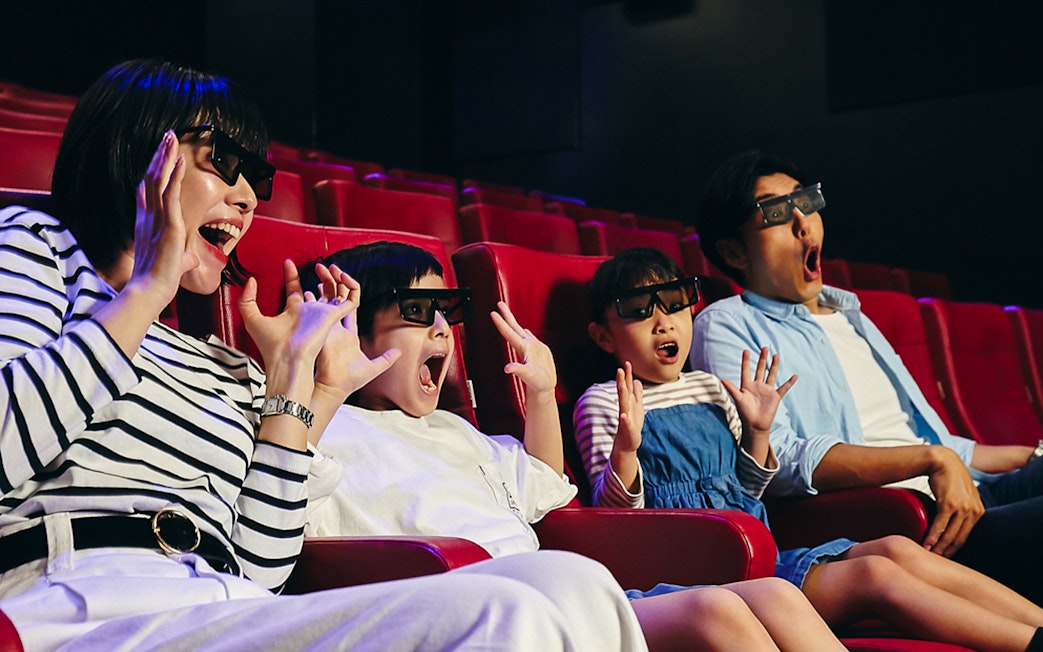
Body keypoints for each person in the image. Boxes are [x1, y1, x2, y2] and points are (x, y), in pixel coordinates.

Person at [0, 59, 650, 651]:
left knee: (572, 583)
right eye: (224, 165)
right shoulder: (35, 250)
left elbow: (259, 565)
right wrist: (146, 290)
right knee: (510, 613)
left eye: (257, 179)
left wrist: (293, 391)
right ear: (141, 152)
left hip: (219, 601)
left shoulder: (224, 369)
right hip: (75, 600)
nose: (249, 198)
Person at [301, 241, 848, 652]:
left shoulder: (453, 430)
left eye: (448, 312)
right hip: (490, 617)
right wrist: (321, 376)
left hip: (560, 597)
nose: (444, 330)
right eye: (420, 311)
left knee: (779, 596)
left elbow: (540, 488)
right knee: (715, 614)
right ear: (350, 329)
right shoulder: (326, 432)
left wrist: (540, 395)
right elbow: (292, 524)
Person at [575, 246, 1043, 651]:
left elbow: (746, 489)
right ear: (603, 336)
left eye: (675, 303)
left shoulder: (711, 389)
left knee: (896, 550)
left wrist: (758, 431)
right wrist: (626, 449)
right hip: (697, 566)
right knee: (874, 577)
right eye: (639, 310)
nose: (662, 323)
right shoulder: (604, 401)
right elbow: (615, 515)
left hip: (759, 554)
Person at [689, 149, 1043, 605]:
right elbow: (778, 459)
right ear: (734, 251)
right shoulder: (727, 324)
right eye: (776, 213)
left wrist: (1030, 456)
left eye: (806, 203)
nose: (803, 223)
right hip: (913, 524)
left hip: (967, 493)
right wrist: (930, 460)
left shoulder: (851, 315)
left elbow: (938, 442)